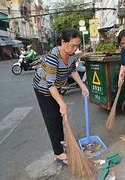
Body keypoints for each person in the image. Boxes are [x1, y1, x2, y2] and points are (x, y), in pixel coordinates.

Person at [33, 28, 89, 164]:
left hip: (55, 88)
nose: (75, 49)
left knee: (58, 116)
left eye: (77, 46)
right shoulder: (53, 57)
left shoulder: (71, 55)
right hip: (43, 89)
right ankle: (58, 152)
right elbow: (49, 85)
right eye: (72, 45)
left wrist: (83, 87)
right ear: (63, 42)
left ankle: (62, 141)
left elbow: (73, 71)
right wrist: (62, 103)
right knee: (52, 119)